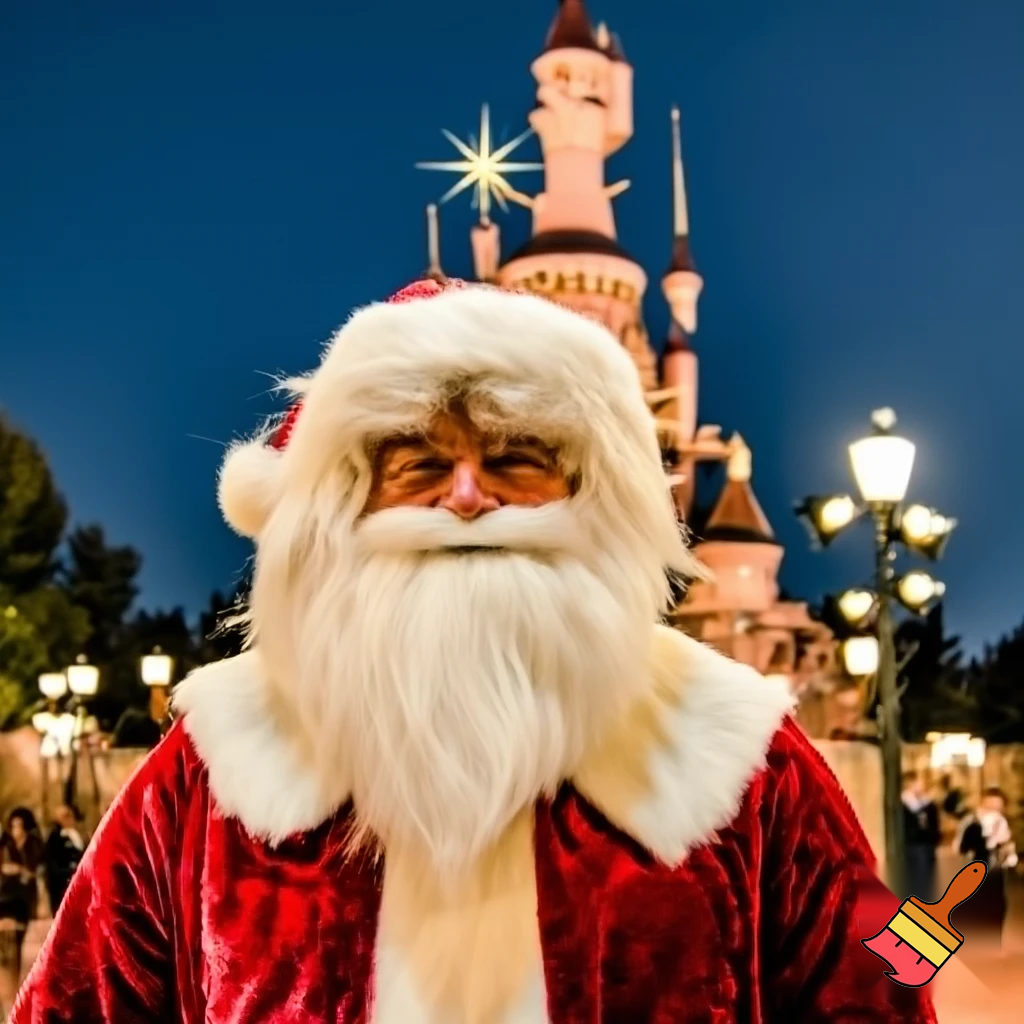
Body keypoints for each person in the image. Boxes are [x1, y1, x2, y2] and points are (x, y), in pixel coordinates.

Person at [11, 280, 933, 1021]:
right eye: (416, 460)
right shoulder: (214, 766)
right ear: (345, 500)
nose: (465, 497)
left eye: (515, 456)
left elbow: (895, 974)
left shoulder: (735, 748)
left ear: (589, 488)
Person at [955, 787, 1019, 951]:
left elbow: (1007, 842)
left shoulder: (1003, 822)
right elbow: (961, 847)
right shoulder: (972, 821)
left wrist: (1007, 851)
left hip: (997, 867)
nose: (996, 808)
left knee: (998, 902)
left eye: (999, 805)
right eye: (993, 804)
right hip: (976, 867)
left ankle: (995, 941)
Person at [0, 809, 43, 975]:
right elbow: (5, 867)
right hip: (7, 895)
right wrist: (20, 870)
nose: (15, 829)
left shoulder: (33, 845)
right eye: (13, 826)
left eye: (19, 825)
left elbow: (35, 869)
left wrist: (20, 870)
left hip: (25, 897)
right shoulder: (7, 845)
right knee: (6, 934)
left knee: (20, 936)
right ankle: (7, 967)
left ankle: (15, 970)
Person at [902, 771, 940, 901]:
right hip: (913, 846)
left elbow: (934, 825)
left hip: (926, 846)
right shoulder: (904, 804)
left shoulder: (928, 804)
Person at [42, 806, 86, 916]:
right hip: (62, 884)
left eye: (70, 816)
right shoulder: (54, 838)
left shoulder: (79, 835)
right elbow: (52, 864)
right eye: (65, 817)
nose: (69, 820)